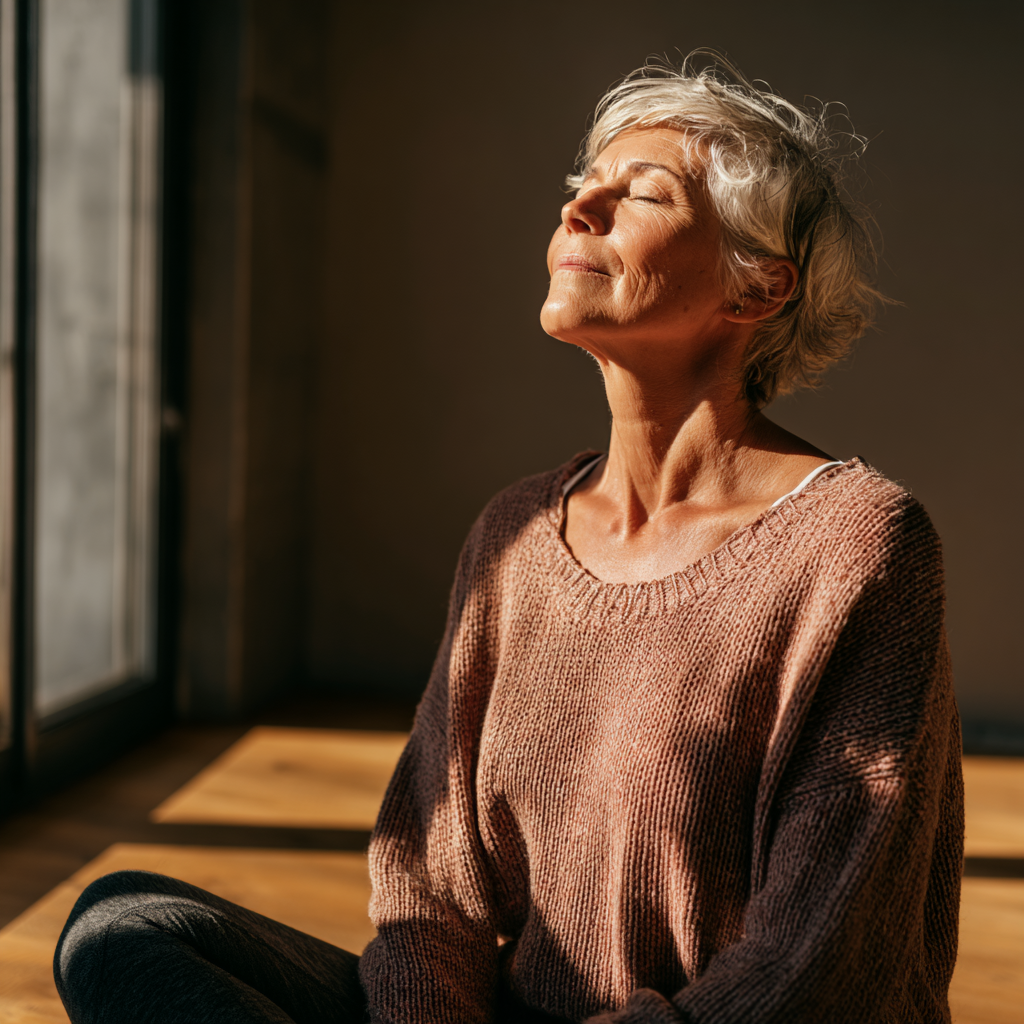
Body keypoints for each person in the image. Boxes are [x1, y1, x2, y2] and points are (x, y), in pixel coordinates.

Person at [54, 55, 963, 1024]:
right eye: (581, 190)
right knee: (125, 924)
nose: (579, 211)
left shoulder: (856, 540)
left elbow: (817, 960)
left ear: (756, 288)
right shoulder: (518, 533)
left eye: (641, 194)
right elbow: (429, 892)